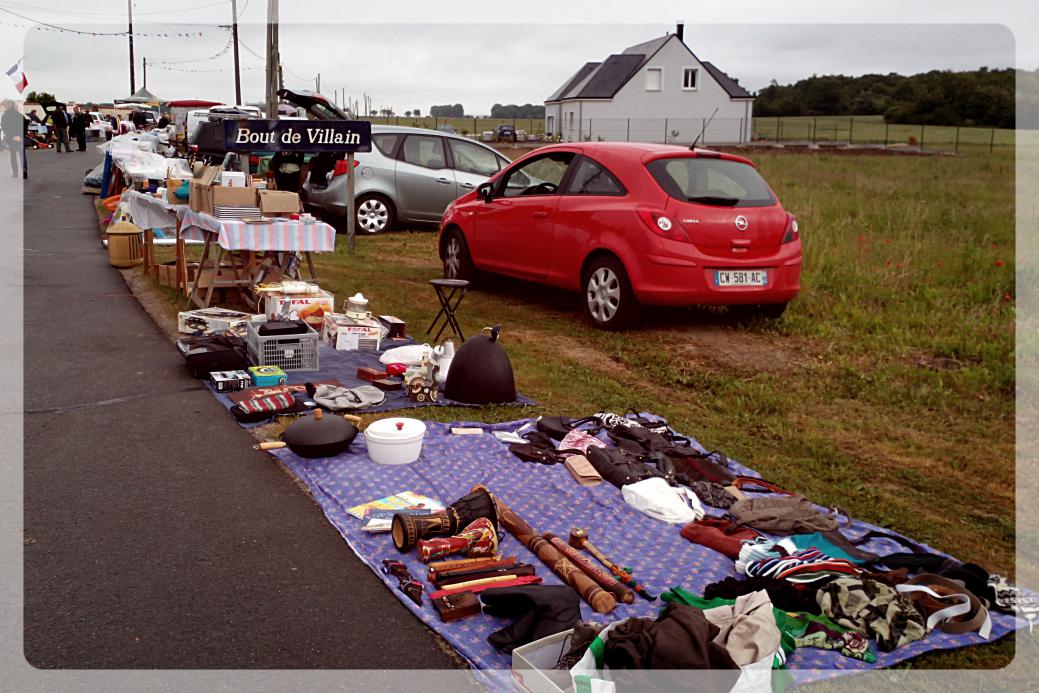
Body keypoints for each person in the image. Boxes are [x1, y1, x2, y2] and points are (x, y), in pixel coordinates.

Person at [2, 100, 28, 178]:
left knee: (13, 155)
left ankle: (15, 173)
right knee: (22, 154)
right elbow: (24, 126)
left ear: (7, 106)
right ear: (14, 106)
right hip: (20, 137)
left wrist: (12, 136)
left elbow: (5, 128)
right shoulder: (20, 115)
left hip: (11, 139)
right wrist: (20, 135)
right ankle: (24, 170)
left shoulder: (5, 116)